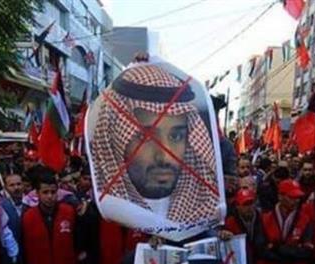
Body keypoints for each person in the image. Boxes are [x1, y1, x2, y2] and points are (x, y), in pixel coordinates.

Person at [89, 64, 220, 229]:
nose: (165, 156)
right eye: (146, 137)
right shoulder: (101, 214)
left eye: (176, 136)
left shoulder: (205, 213)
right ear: (116, 141)